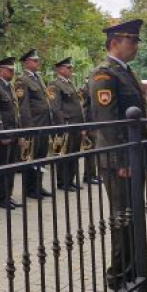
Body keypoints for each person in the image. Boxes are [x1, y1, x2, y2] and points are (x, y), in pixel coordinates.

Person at [88, 19, 147, 292]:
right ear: (115, 42)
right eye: (132, 40)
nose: (136, 45)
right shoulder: (104, 75)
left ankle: (136, 273)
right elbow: (109, 123)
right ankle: (119, 277)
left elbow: (138, 121)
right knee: (123, 217)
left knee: (134, 215)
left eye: (136, 40)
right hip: (118, 160)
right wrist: (123, 160)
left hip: (133, 156)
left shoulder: (128, 73)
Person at [16, 48, 54, 199]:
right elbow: (23, 107)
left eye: (38, 60)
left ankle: (38, 185)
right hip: (34, 125)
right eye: (35, 60)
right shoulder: (22, 80)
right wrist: (29, 129)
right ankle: (29, 189)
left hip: (43, 124)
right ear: (26, 63)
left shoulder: (38, 78)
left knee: (41, 157)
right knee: (31, 158)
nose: (38, 63)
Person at [0, 57, 22, 209]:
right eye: (10, 70)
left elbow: (16, 112)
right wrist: (0, 133)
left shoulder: (10, 87)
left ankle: (8, 195)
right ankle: (1, 198)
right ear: (1, 70)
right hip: (3, 133)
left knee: (11, 167)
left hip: (13, 132)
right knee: (1, 167)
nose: (12, 72)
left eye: (13, 70)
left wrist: (19, 132)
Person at [48, 57, 84, 192]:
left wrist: (82, 126)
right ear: (60, 69)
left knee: (74, 153)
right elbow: (55, 108)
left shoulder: (70, 84)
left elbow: (77, 106)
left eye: (71, 67)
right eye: (68, 68)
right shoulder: (55, 85)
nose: (71, 70)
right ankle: (62, 181)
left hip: (75, 124)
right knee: (64, 153)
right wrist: (62, 127)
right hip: (66, 125)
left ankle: (70, 180)